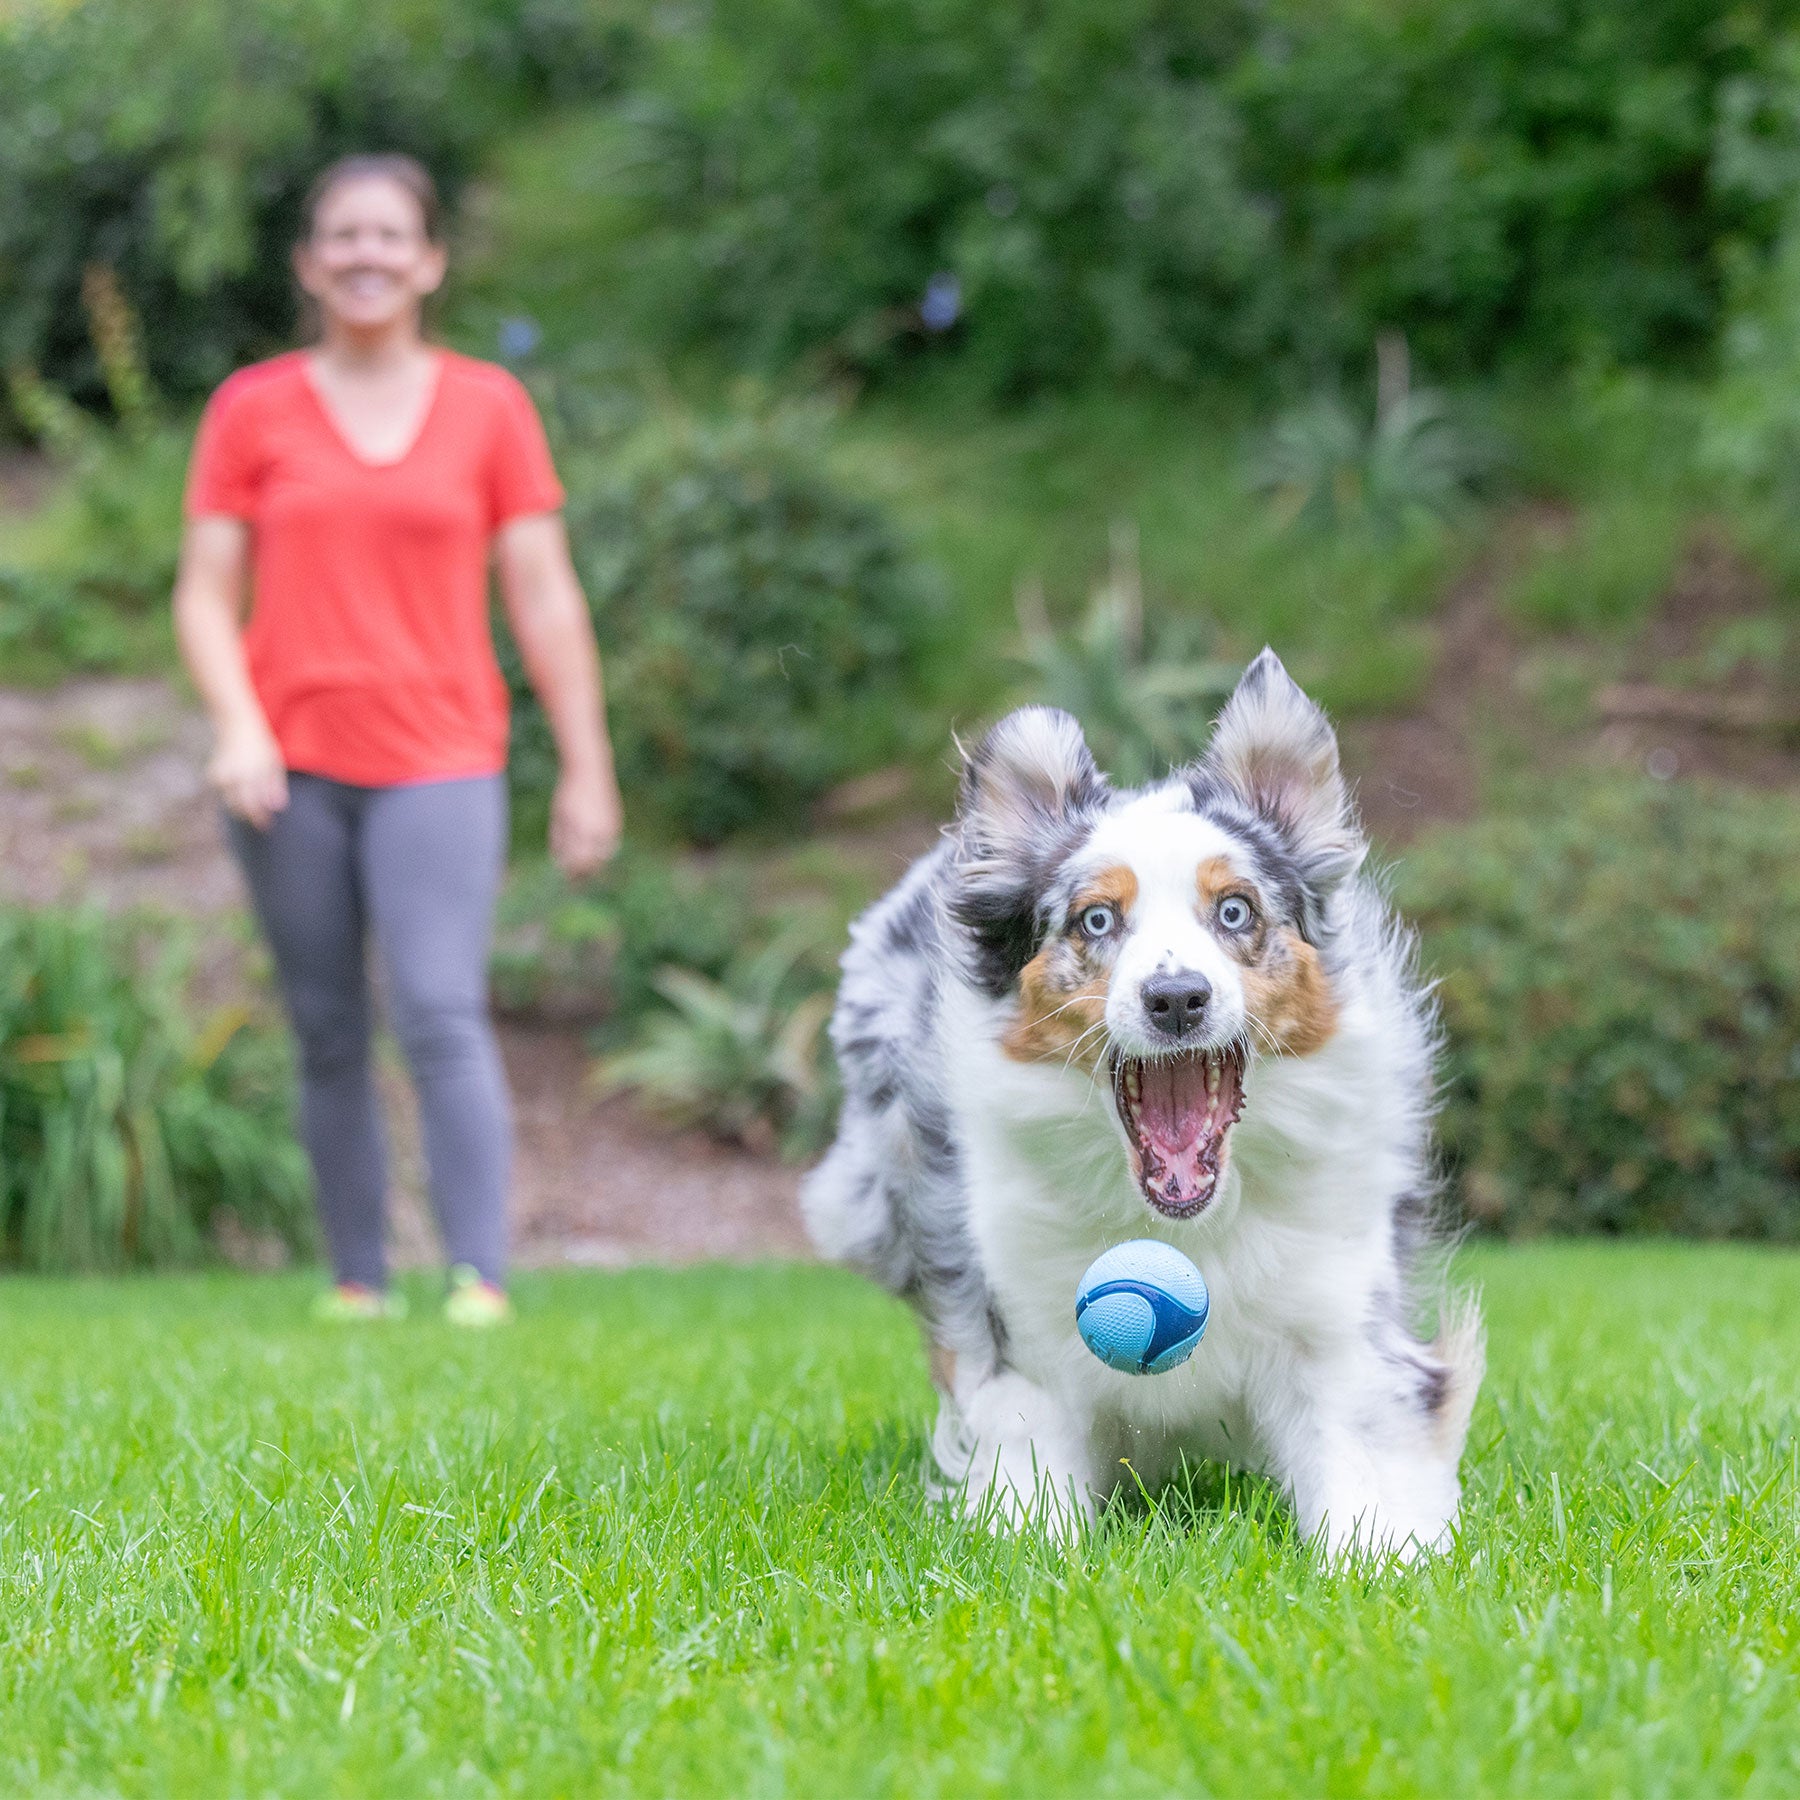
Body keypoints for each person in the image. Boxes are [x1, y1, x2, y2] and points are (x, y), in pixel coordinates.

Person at [173, 154, 622, 1325]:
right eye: (341, 235)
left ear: (428, 262)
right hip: (287, 766)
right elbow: (205, 593)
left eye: (388, 235)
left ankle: (478, 1277)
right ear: (307, 263)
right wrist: (238, 726)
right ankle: (358, 1281)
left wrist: (587, 766)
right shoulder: (251, 409)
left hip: (442, 756)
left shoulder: (489, 407)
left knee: (437, 1008)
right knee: (328, 1027)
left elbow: (545, 598)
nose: (363, 254)